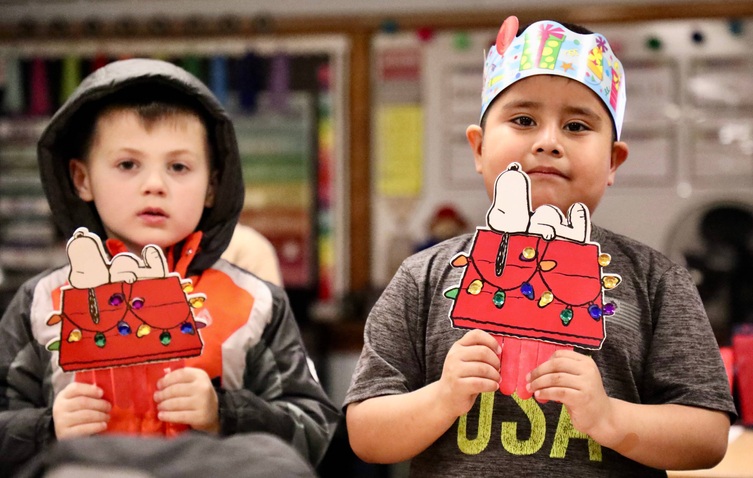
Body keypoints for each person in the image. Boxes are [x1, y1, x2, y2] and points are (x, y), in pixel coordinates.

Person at [344, 16, 736, 477]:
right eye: (524, 119)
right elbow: (366, 434)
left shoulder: (657, 281)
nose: (548, 142)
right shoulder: (422, 277)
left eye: (576, 126)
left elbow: (707, 437)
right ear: (478, 147)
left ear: (613, 161)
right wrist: (443, 397)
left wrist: (609, 418)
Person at [0, 58, 339, 476]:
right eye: (128, 165)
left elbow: (316, 427)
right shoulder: (39, 303)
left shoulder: (256, 303)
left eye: (178, 166)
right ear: (81, 178)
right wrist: (46, 428)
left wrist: (225, 412)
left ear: (212, 185)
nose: (155, 184)